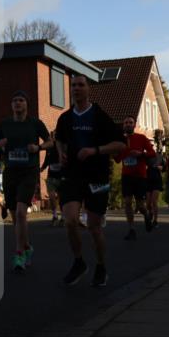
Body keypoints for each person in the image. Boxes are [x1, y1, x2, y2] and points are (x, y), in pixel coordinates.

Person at [54, 74, 125, 287]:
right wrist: (60, 152)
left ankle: (101, 266)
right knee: (70, 220)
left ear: (88, 89)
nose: (76, 88)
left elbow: (120, 145)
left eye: (80, 85)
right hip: (73, 175)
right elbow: (59, 138)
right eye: (73, 85)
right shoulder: (65, 118)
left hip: (98, 176)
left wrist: (95, 150)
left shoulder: (99, 116)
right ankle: (79, 262)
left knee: (94, 227)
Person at [0, 91, 51, 274]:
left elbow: (50, 142)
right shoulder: (4, 125)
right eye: (15, 101)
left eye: (21, 100)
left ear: (27, 104)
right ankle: (26, 247)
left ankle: (19, 254)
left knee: (20, 212)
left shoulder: (35, 124)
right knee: (16, 217)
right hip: (10, 172)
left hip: (29, 171)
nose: (17, 103)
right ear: (11, 105)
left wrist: (38, 147)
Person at [114, 116, 155, 240]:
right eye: (126, 122)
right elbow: (117, 160)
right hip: (126, 176)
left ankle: (147, 215)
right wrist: (113, 153)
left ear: (134, 125)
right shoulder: (120, 140)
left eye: (130, 122)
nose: (128, 124)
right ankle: (131, 229)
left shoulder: (141, 138)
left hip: (140, 176)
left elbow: (152, 153)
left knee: (140, 205)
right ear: (123, 125)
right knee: (127, 202)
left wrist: (141, 154)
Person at [41, 130, 64, 226]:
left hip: (61, 176)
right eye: (52, 136)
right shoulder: (49, 147)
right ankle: (54, 215)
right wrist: (42, 168)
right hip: (51, 176)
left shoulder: (62, 147)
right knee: (51, 196)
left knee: (62, 197)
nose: (54, 138)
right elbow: (47, 159)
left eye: (55, 136)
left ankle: (63, 217)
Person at [144, 129, 166, 230]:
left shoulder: (160, 156)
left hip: (157, 180)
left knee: (153, 201)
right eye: (150, 145)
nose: (152, 146)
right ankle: (151, 213)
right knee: (148, 203)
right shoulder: (146, 156)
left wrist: (161, 168)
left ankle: (155, 220)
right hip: (148, 180)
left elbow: (165, 168)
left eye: (153, 144)